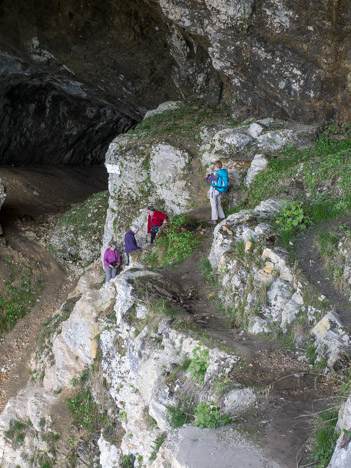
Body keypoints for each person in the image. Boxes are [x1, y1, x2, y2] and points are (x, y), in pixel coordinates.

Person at [206, 160, 227, 225]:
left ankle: (214, 219)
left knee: (214, 205)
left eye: (214, 166)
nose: (214, 167)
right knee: (219, 204)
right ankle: (222, 217)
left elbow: (208, 181)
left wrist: (207, 177)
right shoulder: (223, 172)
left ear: (216, 166)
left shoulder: (215, 173)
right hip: (220, 190)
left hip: (214, 191)